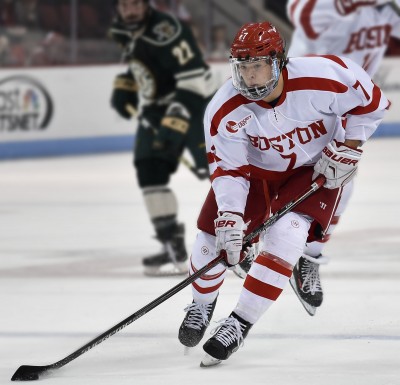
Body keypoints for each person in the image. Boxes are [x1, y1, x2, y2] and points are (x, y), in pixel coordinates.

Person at [177, 21, 389, 366]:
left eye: (257, 67)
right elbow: (229, 169)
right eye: (242, 68)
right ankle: (201, 305)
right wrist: (230, 216)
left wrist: (351, 147)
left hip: (313, 171)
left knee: (287, 238)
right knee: (210, 241)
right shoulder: (223, 110)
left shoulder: (325, 76)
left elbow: (371, 103)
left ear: (279, 62)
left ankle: (239, 323)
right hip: (256, 174)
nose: (250, 78)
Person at [280, 0, 400, 313]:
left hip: (348, 106)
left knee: (341, 181)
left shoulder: (387, 8)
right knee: (270, 166)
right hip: (303, 101)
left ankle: (309, 257)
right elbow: (300, 15)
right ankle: (250, 238)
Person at [109, 0, 215, 276]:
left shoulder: (167, 30)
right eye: (124, 5)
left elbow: (192, 77)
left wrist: (177, 118)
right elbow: (143, 64)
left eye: (135, 4)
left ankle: (247, 238)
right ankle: (172, 243)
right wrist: (128, 84)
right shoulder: (122, 30)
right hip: (158, 106)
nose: (130, 10)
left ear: (146, 6)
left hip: (196, 101)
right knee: (148, 168)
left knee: (219, 170)